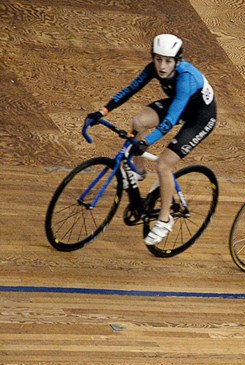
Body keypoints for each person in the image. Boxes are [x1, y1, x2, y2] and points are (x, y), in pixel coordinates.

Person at [86, 34, 217, 246]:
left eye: (168, 61)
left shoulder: (186, 79)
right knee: (138, 121)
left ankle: (165, 219)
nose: (162, 66)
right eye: (158, 59)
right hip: (180, 105)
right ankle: (138, 171)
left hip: (200, 118)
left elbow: (170, 121)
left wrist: (146, 143)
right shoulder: (152, 68)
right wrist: (102, 111)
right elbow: (130, 90)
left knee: (163, 164)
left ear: (177, 61)